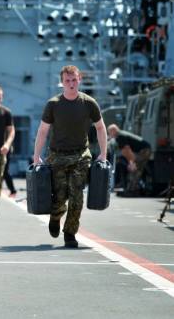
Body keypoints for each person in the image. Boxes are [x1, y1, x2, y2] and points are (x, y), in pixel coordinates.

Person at [32, 65, 107, 248]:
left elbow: (100, 128)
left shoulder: (89, 103)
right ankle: (55, 217)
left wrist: (103, 153)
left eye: (74, 80)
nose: (71, 84)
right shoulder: (54, 104)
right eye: (67, 80)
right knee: (59, 196)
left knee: (76, 196)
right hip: (57, 156)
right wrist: (36, 156)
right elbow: (43, 131)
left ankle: (70, 233)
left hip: (81, 155)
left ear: (79, 79)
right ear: (62, 82)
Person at [107, 124, 151, 196]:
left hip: (144, 150)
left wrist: (131, 162)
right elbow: (125, 151)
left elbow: (127, 150)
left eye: (109, 132)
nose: (109, 134)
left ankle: (132, 190)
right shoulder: (121, 135)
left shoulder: (120, 136)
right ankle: (133, 189)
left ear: (113, 130)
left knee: (134, 170)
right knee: (136, 169)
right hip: (144, 149)